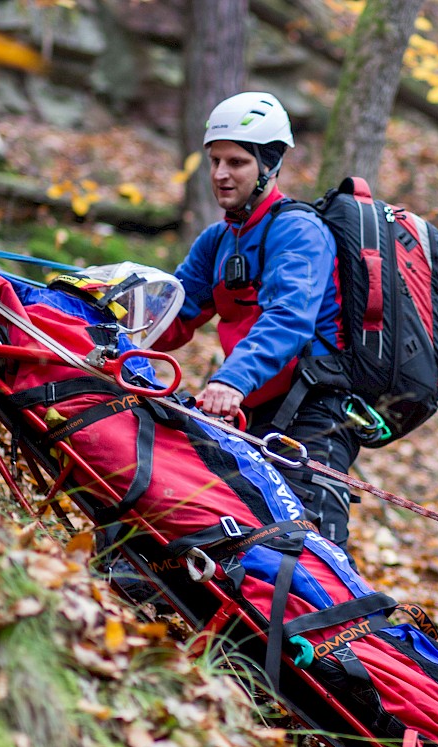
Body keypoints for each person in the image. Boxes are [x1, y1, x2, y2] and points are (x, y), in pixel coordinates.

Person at [155, 91, 361, 555]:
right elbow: (174, 314)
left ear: (268, 166)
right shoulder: (217, 241)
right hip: (252, 408)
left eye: (237, 162)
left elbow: (288, 319)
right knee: (231, 534)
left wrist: (231, 379)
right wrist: (109, 325)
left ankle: (349, 630)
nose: (221, 174)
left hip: (313, 414)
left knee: (310, 551)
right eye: (214, 161)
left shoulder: (299, 231)